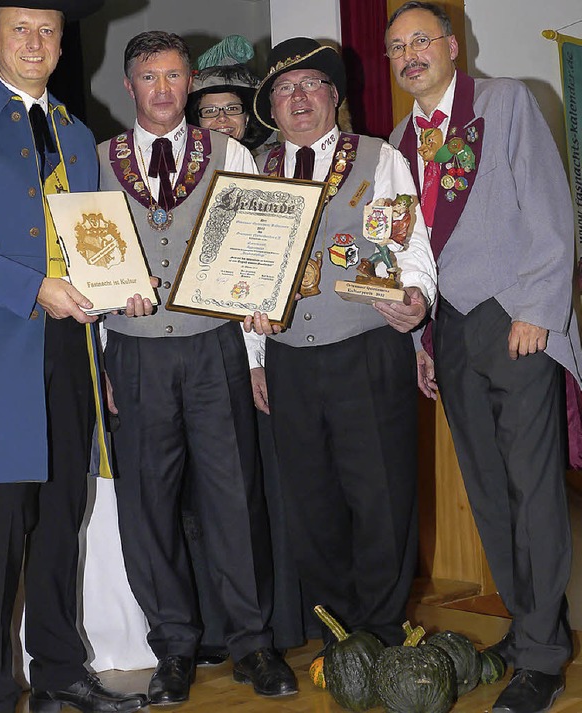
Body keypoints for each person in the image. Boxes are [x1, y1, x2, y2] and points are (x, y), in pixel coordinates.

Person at [0, 2, 151, 712]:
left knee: (63, 517)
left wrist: (117, 293)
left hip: (71, 348)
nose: (35, 41)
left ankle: (60, 668)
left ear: (63, 46)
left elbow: (95, 245)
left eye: (48, 30)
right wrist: (36, 288)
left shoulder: (78, 131)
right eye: (20, 29)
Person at [386, 3, 582, 712]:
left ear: (451, 45)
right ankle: (530, 627)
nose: (411, 54)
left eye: (421, 40)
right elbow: (406, 255)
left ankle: (543, 657)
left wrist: (539, 306)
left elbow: (551, 209)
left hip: (513, 316)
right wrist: (419, 335)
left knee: (533, 491)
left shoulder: (506, 102)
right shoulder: (398, 140)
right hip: (452, 330)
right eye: (397, 46)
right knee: (489, 493)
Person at [98, 30, 297, 705]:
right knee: (148, 506)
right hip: (134, 350)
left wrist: (262, 304)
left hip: (214, 346)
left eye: (174, 76)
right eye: (149, 76)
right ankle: (175, 647)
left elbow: (261, 238)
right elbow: (77, 259)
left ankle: (253, 642)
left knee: (233, 496)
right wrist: (99, 355)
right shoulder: (99, 160)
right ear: (130, 86)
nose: (162, 89)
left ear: (191, 84)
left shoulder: (229, 151)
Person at [245, 37, 437, 648]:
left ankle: (383, 632)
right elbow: (241, 276)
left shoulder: (380, 158)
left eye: (311, 85)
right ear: (271, 109)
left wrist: (417, 301)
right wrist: (255, 360)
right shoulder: (251, 171)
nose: (298, 98)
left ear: (334, 95)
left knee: (381, 498)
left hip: (368, 348)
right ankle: (339, 634)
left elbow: (412, 252)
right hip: (288, 359)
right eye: (284, 89)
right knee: (311, 502)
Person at [183, 35, 306, 664]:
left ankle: (280, 625)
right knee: (209, 496)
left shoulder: (275, 170)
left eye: (231, 109)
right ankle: (213, 626)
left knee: (271, 489)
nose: (220, 120)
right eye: (207, 111)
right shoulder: (174, 178)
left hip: (261, 354)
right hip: (197, 357)